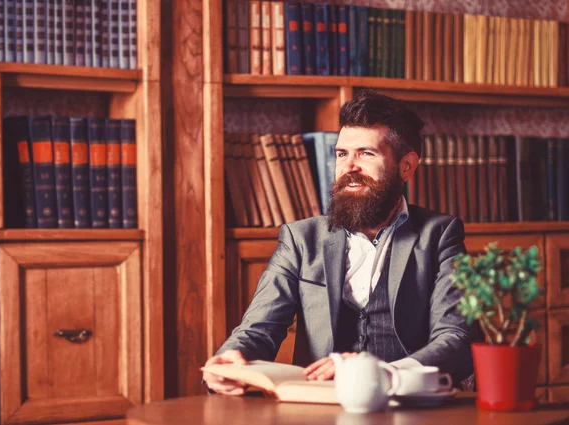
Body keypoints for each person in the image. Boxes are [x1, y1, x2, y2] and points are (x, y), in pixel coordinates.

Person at [203, 88, 474, 396]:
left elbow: (454, 338)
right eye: (342, 154)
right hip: (319, 407)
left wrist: (382, 373)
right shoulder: (301, 239)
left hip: (407, 405)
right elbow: (258, 329)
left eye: (366, 153)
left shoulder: (440, 235)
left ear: (407, 166)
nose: (349, 168)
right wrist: (230, 360)